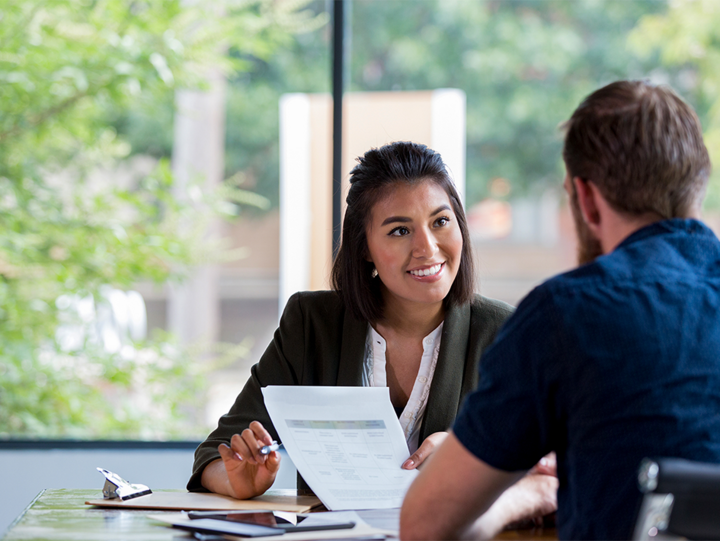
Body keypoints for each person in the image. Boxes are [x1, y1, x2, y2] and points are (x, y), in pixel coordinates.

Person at [400, 80, 720, 541]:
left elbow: (425, 525)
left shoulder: (567, 314)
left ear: (585, 198)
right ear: (698, 182)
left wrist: (527, 495)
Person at [188, 141, 557, 528]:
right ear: (364, 247)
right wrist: (236, 480)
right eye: (400, 230)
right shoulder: (312, 324)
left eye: (440, 222)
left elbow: (552, 466)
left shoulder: (506, 333)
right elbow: (216, 453)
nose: (427, 248)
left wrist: (471, 456)